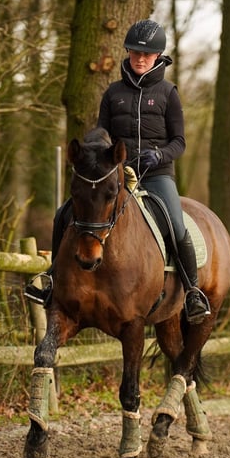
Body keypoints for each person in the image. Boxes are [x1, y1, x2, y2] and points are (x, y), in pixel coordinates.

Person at [25, 19, 210, 324]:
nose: (140, 58)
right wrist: (95, 141)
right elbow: (103, 129)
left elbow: (180, 141)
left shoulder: (168, 93)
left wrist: (160, 154)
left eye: (146, 54)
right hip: (115, 174)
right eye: (135, 52)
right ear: (127, 52)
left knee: (176, 226)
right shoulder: (113, 93)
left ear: (158, 57)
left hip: (157, 173)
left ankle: (192, 293)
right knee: (64, 213)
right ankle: (51, 279)